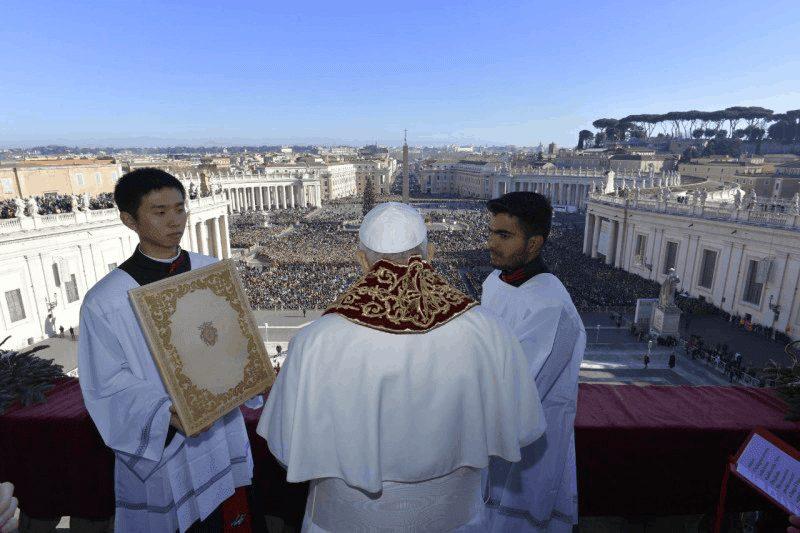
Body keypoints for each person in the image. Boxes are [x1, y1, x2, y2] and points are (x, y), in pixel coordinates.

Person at [258, 202, 546, 531]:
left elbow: (285, 448)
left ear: (361, 260)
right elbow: (523, 429)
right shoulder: (489, 330)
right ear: (431, 254)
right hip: (453, 518)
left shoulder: (315, 340)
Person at [77, 169, 263, 533]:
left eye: (180, 209)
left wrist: (247, 371)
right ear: (129, 219)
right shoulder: (106, 300)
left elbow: (233, 340)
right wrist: (164, 411)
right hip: (168, 449)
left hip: (222, 432)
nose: (175, 221)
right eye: (160, 212)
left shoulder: (212, 270)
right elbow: (106, 386)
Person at [481, 192, 586, 532]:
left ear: (534, 243)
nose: (491, 243)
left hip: (528, 446)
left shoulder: (550, 307)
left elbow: (521, 390)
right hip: (493, 430)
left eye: (504, 235)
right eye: (492, 232)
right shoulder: (493, 282)